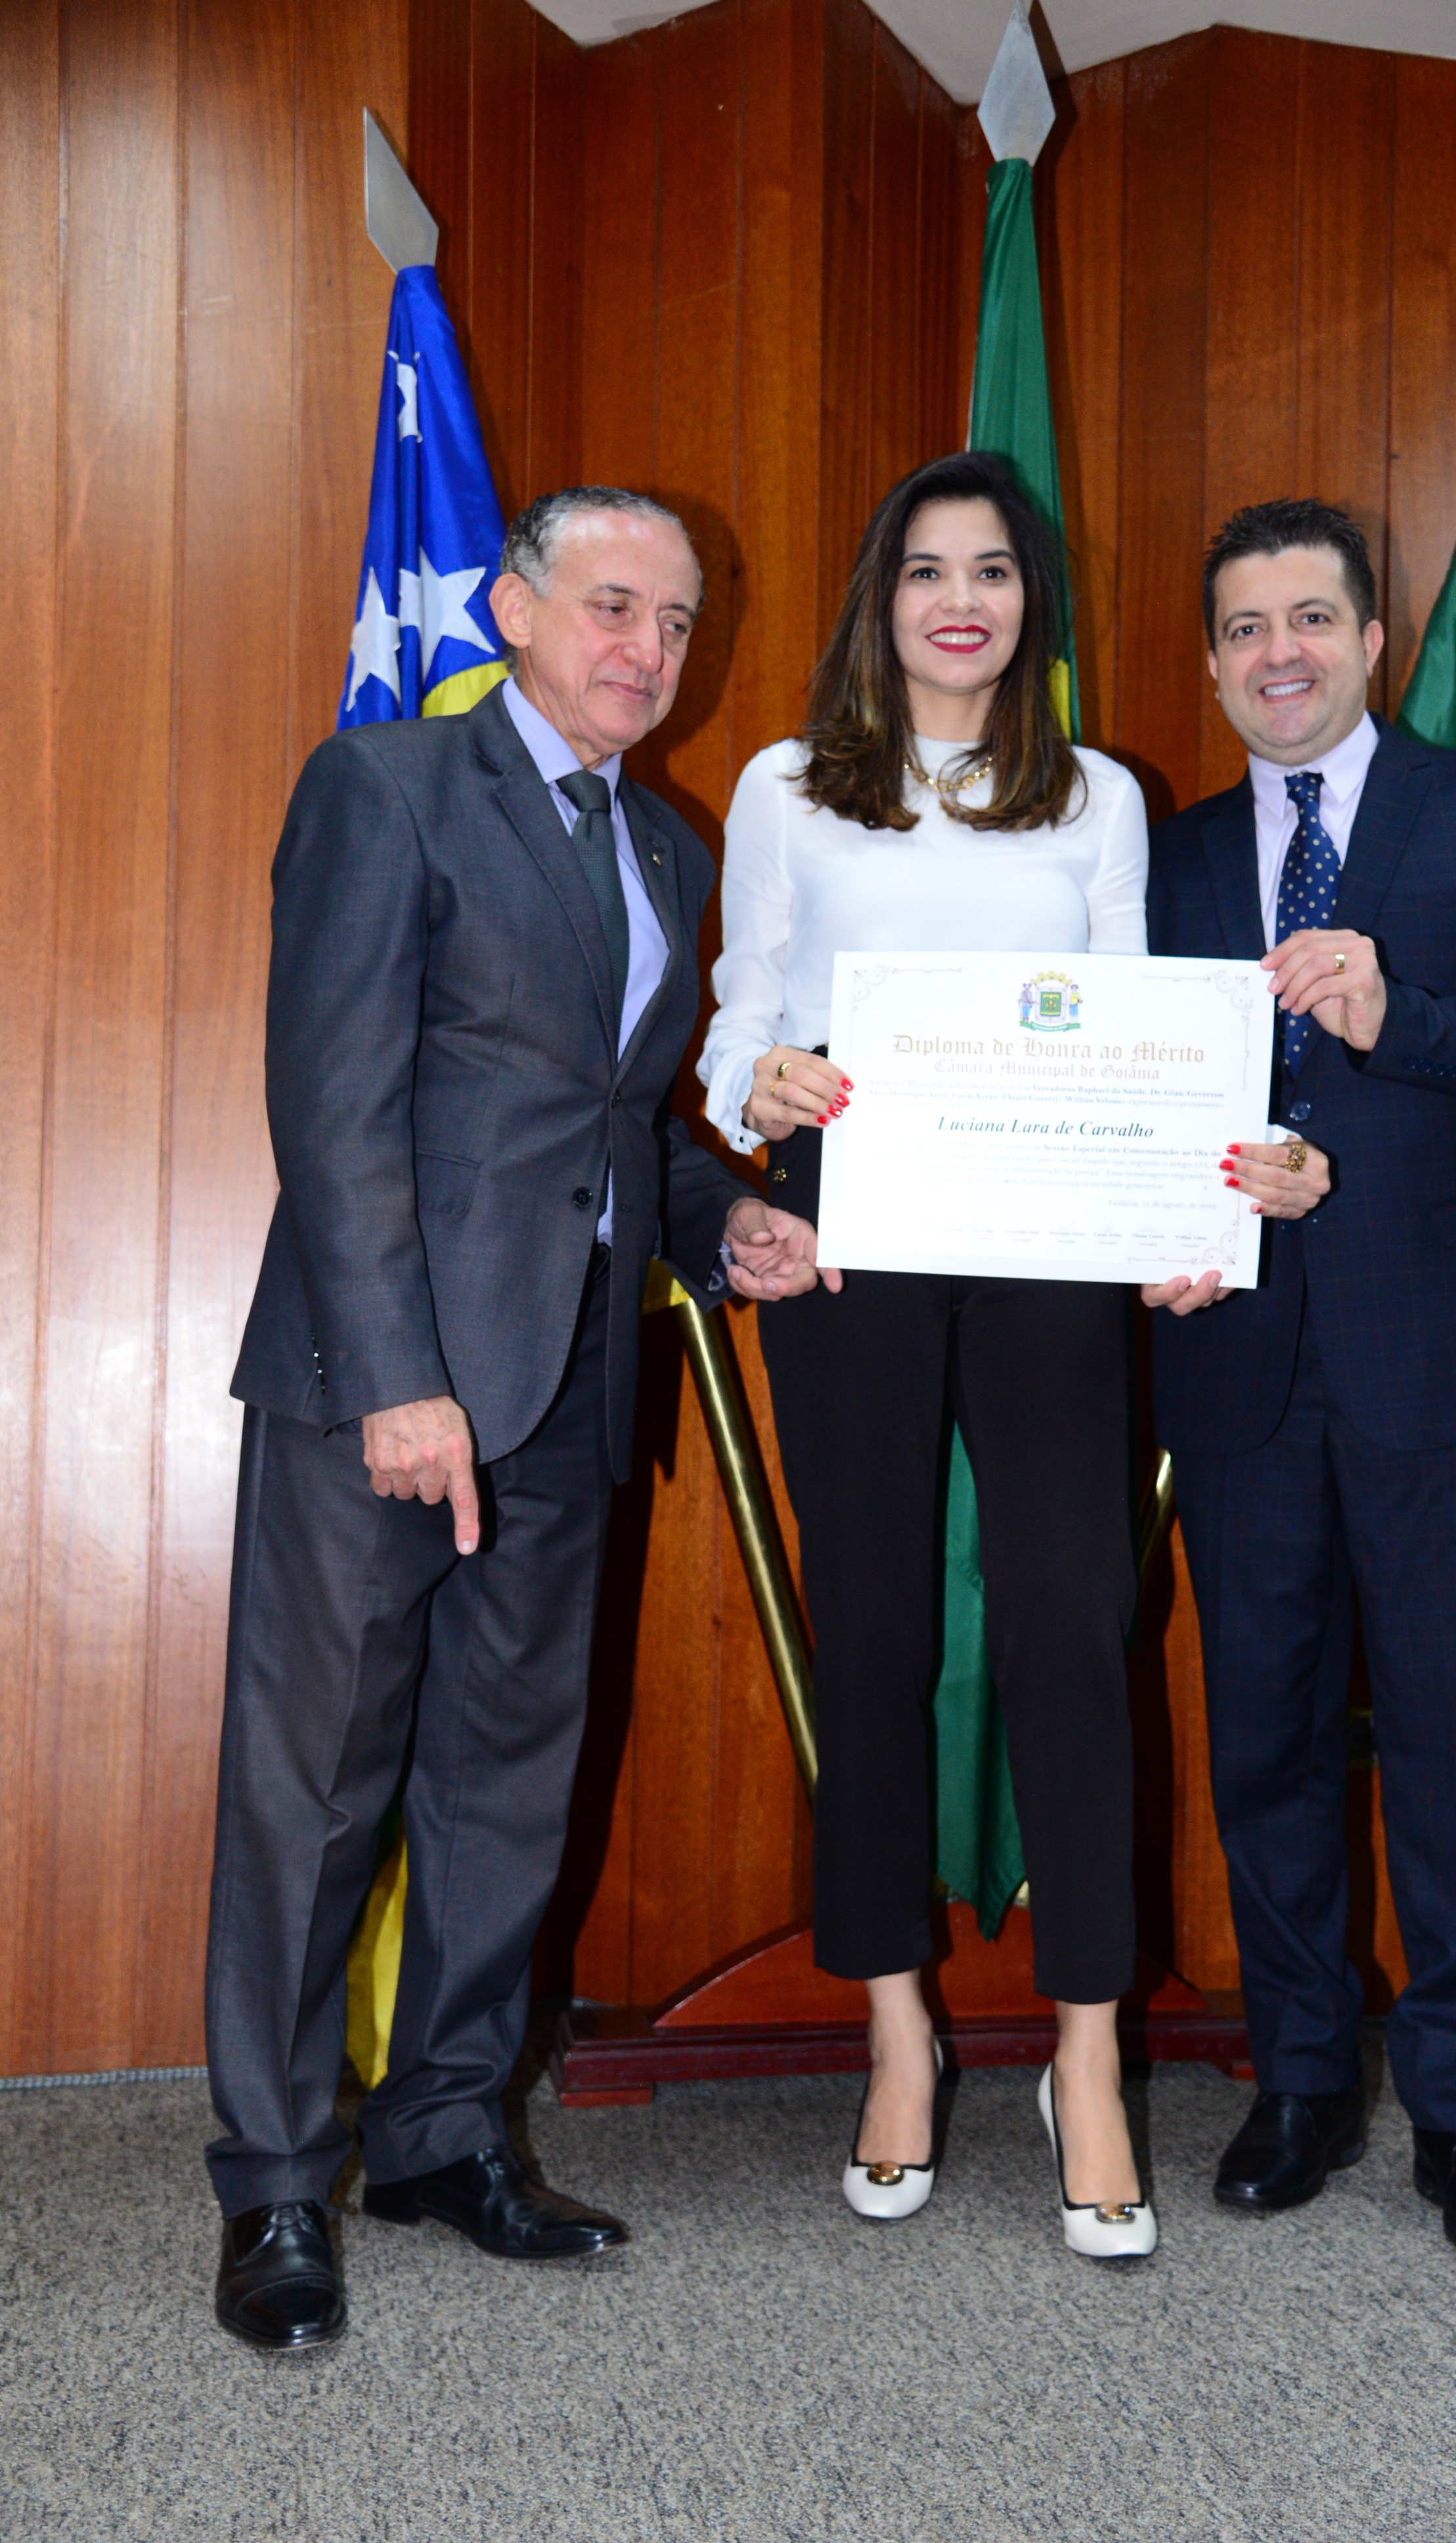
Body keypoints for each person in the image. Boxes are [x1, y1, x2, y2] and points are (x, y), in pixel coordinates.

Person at [206, 486, 818, 2351]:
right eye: (614, 605)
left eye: (678, 621)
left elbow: (610, 1127)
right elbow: (333, 1103)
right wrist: (401, 1377)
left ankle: (444, 2136)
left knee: (501, 1789)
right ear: (514, 608)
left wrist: (726, 1226)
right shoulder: (387, 788)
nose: (648, 648)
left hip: (570, 1392)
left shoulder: (669, 850)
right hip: (379, 1390)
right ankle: (276, 2184)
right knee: (317, 1790)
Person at [701, 451, 1326, 2259]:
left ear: (1028, 601)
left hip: (1050, 1242)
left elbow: (1135, 1033)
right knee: (875, 1625)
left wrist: (1181, 1219)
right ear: (879, 600)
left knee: (1069, 1621)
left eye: (990, 570)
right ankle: (896, 2032)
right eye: (926, 570)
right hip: (851, 1233)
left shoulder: (1098, 797)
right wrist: (756, 1085)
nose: (959, 600)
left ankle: (1087, 2052)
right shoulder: (787, 784)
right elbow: (741, 1009)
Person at [1143, 497, 1456, 2267]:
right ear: (1216, 667)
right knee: (1266, 1738)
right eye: (1244, 627)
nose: (1277, 652)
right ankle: (1299, 2080)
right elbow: (1130, 1088)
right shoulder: (1167, 856)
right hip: (1237, 1357)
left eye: (1310, 619)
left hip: (1448, 1355)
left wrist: (1397, 1013)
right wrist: (1164, 1217)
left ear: (1371, 641)